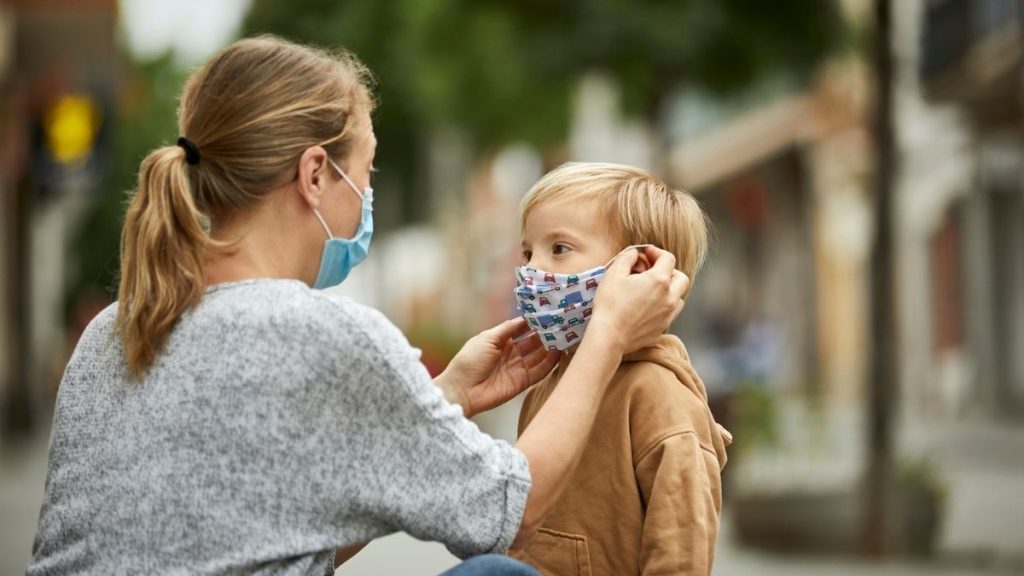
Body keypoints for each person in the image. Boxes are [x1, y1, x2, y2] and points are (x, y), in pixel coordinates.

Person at [26, 37, 690, 575]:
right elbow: (507, 510)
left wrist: (446, 395)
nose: (366, 194)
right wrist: (606, 333)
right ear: (315, 175)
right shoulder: (318, 330)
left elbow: (264, 544)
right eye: (365, 172)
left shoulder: (115, 329)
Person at [509, 163, 732, 575]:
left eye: (558, 248)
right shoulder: (552, 382)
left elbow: (680, 557)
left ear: (641, 271)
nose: (530, 271)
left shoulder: (660, 396)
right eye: (528, 252)